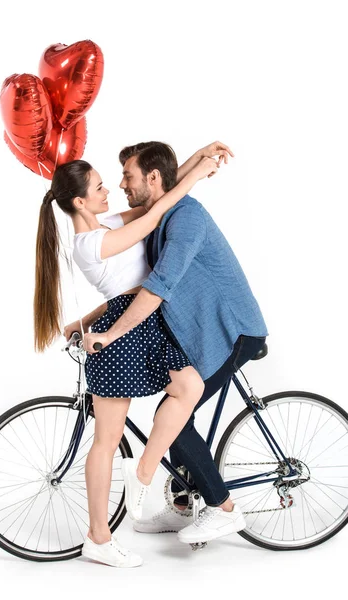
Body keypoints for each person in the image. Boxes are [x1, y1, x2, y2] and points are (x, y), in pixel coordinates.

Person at [34, 142, 227, 567]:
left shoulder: (103, 227)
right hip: (125, 331)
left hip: (143, 322)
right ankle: (99, 536)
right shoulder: (89, 242)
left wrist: (194, 159)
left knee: (188, 387)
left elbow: (153, 201)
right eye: (101, 187)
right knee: (106, 440)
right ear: (80, 201)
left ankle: (141, 472)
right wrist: (195, 177)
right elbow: (155, 215)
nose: (112, 191)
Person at [82, 141, 268, 548]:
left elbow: (157, 288)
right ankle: (184, 503)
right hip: (198, 333)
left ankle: (223, 510)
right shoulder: (163, 211)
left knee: (176, 418)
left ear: (151, 178)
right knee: (176, 414)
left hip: (231, 331)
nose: (121, 185)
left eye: (128, 176)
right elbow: (164, 191)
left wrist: (111, 335)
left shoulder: (188, 219)